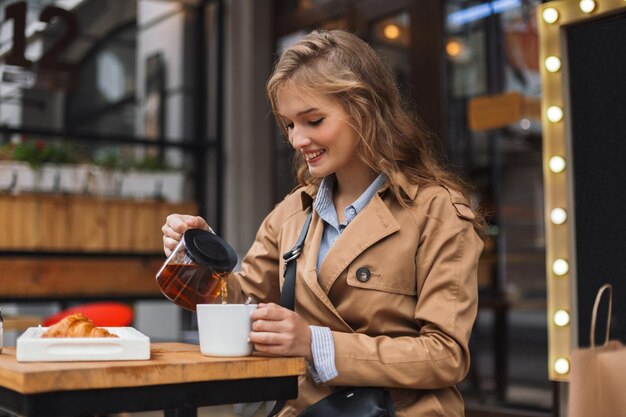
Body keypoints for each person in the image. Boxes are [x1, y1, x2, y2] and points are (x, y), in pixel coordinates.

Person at [162, 29, 484, 417]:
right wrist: (198, 257)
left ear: (364, 110)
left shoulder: (437, 211)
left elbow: (446, 355)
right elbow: (243, 304)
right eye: (289, 125)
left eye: (313, 120)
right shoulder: (291, 213)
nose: (298, 139)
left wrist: (316, 343)